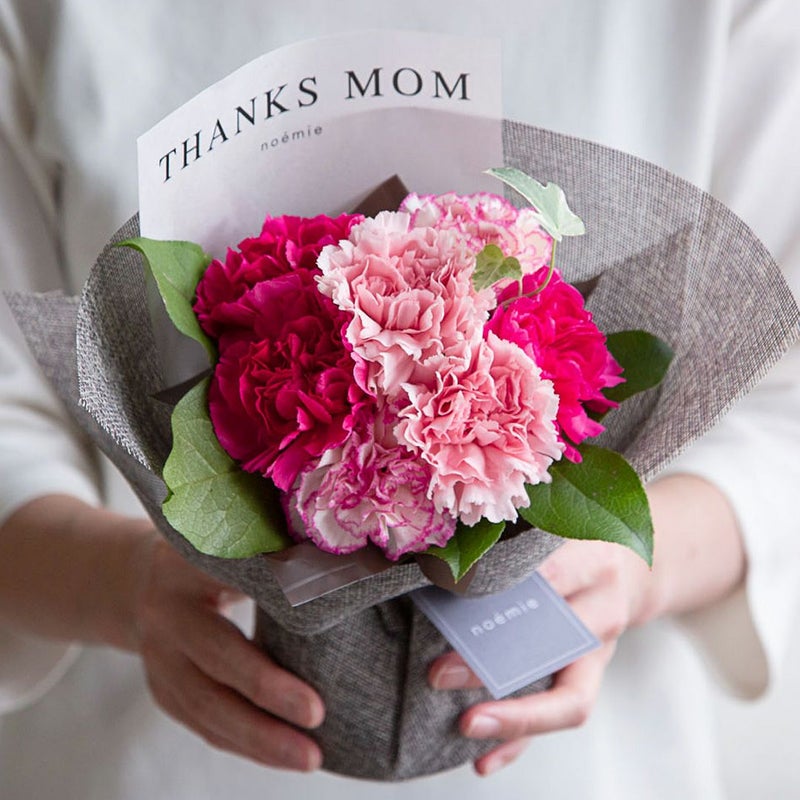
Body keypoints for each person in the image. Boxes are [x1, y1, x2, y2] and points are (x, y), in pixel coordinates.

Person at [1, 1, 799, 798]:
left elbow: (785, 391)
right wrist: (118, 584)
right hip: (141, 755)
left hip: (585, 767)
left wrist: (630, 570)